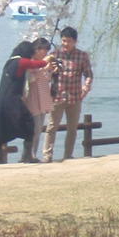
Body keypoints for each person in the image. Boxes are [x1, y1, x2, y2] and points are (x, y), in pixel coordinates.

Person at [0, 40, 47, 163]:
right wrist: (48, 60)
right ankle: (27, 156)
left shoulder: (9, 62)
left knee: (0, 127)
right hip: (13, 100)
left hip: (0, 100)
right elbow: (36, 64)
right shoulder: (20, 62)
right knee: (29, 123)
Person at [44, 26, 94, 163]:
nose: (66, 44)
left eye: (69, 41)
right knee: (52, 127)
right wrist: (50, 70)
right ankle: (47, 155)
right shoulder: (54, 55)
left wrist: (86, 88)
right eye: (64, 41)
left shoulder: (82, 56)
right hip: (57, 96)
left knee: (72, 128)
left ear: (75, 41)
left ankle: (68, 155)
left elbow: (88, 74)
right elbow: (46, 74)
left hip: (75, 96)